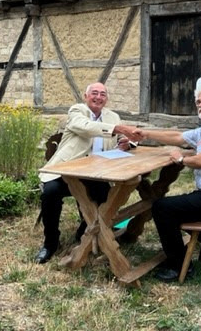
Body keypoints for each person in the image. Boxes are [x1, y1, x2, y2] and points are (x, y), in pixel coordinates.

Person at [132, 86, 201, 282]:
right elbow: (178, 137)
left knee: (162, 208)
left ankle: (179, 265)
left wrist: (181, 159)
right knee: (180, 205)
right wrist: (146, 134)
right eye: (198, 101)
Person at [35, 82, 136, 264]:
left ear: (107, 99)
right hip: (66, 171)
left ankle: (86, 231)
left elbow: (123, 138)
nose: (98, 97)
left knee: (108, 195)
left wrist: (126, 142)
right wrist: (116, 130)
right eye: (94, 93)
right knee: (50, 193)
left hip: (96, 173)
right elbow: (86, 127)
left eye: (103, 94)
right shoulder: (77, 111)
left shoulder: (113, 116)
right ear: (86, 96)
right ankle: (50, 242)